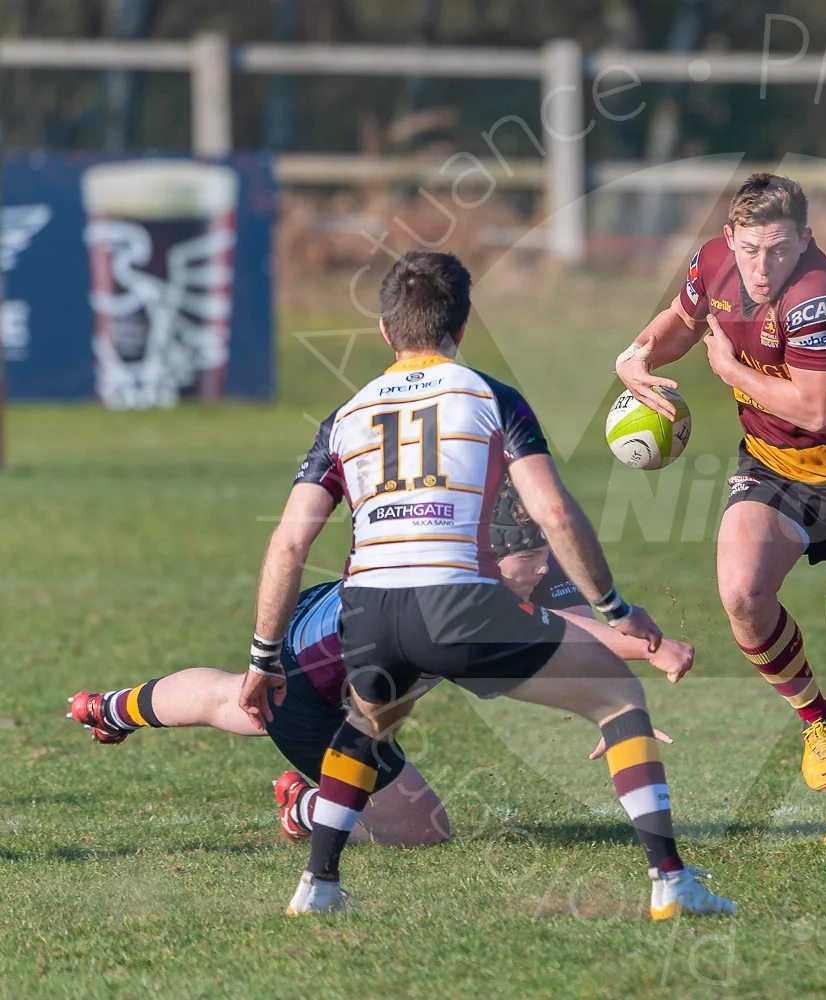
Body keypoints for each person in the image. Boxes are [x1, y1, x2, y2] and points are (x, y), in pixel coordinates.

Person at [238, 250, 732, 917]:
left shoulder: (345, 417)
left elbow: (289, 542)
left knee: (367, 723)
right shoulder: (489, 397)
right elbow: (553, 512)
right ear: (462, 326)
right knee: (618, 698)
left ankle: (318, 886)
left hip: (368, 611)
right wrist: (615, 610)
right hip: (458, 604)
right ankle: (671, 882)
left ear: (385, 330)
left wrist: (264, 658)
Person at [66, 483, 687, 848]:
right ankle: (305, 806)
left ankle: (110, 709)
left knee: (235, 700)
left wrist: (615, 692)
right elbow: (566, 636)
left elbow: (567, 623)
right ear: (490, 559)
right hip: (312, 690)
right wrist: (648, 652)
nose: (547, 566)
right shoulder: (465, 597)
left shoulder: (508, 555)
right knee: (423, 830)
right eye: (533, 558)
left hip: (328, 626)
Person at [615, 173, 826, 848]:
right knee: (741, 593)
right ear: (729, 239)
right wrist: (635, 355)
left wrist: (730, 372)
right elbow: (682, 321)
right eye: (749, 249)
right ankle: (815, 719)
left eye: (778, 249)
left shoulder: (817, 297)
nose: (762, 266)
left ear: (804, 239)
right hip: (773, 467)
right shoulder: (714, 263)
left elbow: (816, 410)